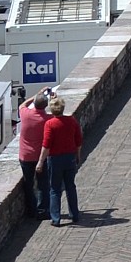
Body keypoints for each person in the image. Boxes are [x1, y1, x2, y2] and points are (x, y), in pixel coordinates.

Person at [39, 92, 83, 226]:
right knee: (70, 186)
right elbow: (79, 141)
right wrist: (78, 156)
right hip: (69, 157)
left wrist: (40, 162)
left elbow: (46, 145)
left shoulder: (50, 124)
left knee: (55, 189)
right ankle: (75, 214)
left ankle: (56, 218)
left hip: (55, 159)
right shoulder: (71, 120)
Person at [17, 92, 49, 220]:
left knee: (28, 184)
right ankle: (42, 211)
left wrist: (37, 93)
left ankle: (31, 210)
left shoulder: (25, 114)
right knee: (43, 184)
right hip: (41, 157)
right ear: (45, 106)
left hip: (25, 156)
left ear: (35, 103)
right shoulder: (48, 119)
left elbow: (23, 105)